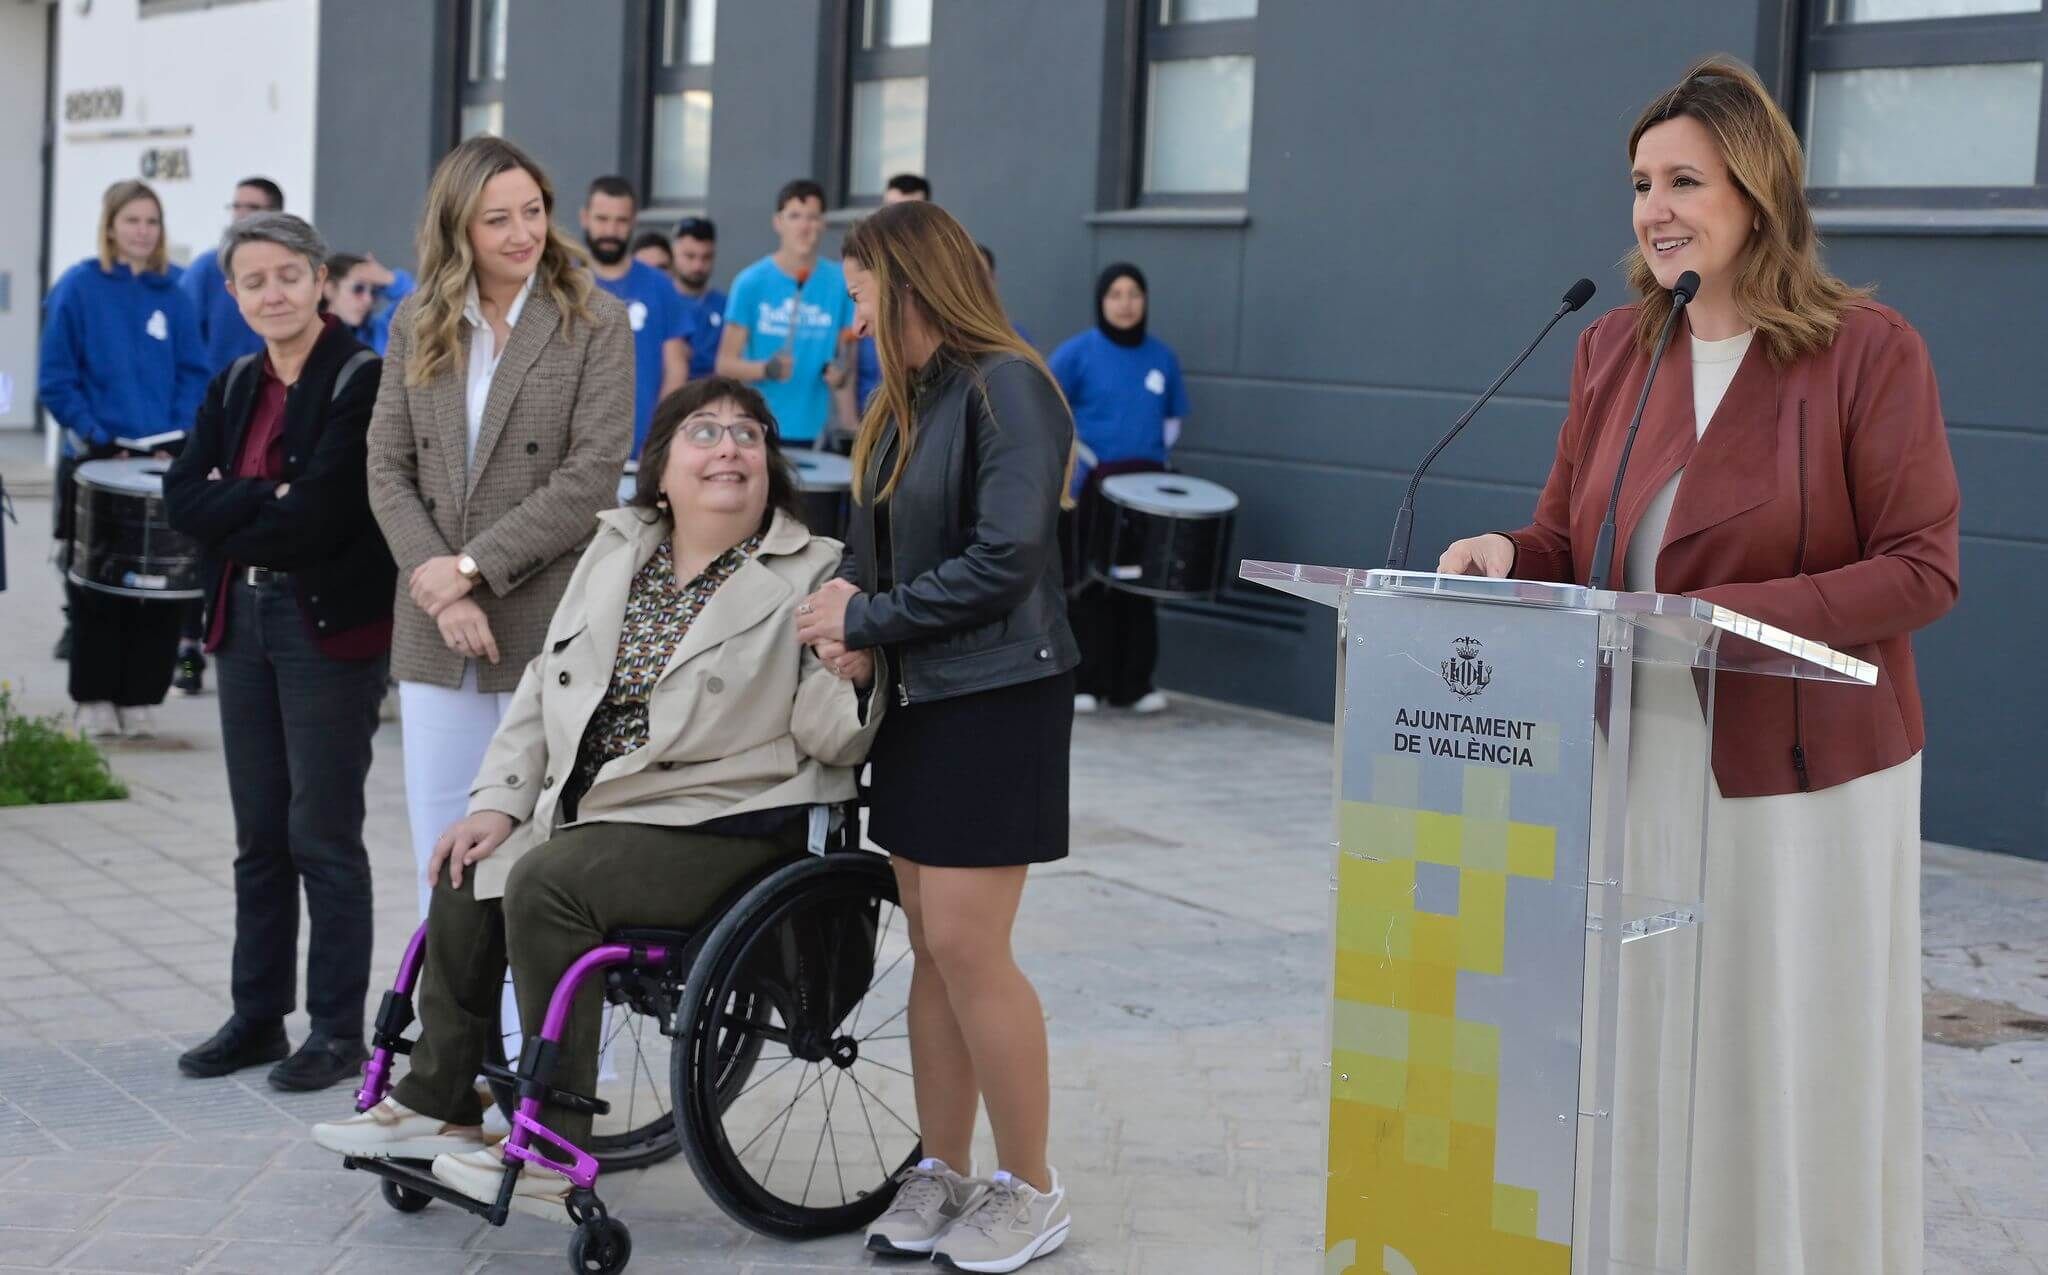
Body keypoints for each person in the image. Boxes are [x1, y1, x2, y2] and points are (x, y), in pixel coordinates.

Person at [1436, 56, 1958, 1275]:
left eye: (1684, 179)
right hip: (1644, 759)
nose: (1654, 207)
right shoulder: (1615, 348)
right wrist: (1502, 553)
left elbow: (1922, 568)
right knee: (1653, 1041)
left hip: (1802, 781)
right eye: (1638, 184)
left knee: (1772, 1048)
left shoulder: (1864, 352)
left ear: (1755, 189)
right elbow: (1574, 540)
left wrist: (1730, 617)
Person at [311, 379, 880, 1212]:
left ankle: (551, 1140)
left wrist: (855, 661)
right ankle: (442, 1102)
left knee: (550, 879)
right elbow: (545, 686)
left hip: (730, 820)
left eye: (749, 434)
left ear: (769, 465)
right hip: (604, 813)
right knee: (471, 860)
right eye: (705, 431)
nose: (730, 447)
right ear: (660, 470)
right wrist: (497, 802)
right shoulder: (615, 552)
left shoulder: (815, 572)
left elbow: (834, 739)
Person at [798, 200, 1076, 1271]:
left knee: (968, 945)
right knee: (929, 948)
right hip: (920, 698)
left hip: (1000, 695)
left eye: (860, 289)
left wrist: (867, 619)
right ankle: (945, 1171)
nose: (851, 312)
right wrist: (850, 619)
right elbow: (879, 549)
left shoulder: (1010, 385)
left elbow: (1007, 557)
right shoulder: (902, 402)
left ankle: (1031, 1188)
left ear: (909, 281)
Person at [365, 135, 633, 924]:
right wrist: (441, 588)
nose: (523, 233)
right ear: (459, 229)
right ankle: (455, 1045)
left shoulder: (593, 318)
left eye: (534, 211)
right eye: (497, 219)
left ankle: (548, 1049)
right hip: (436, 627)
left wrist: (473, 567)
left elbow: (590, 475)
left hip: (551, 617)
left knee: (545, 859)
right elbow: (385, 465)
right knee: (443, 853)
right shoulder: (418, 319)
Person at [163, 213, 394, 1090]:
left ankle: (336, 1028)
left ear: (320, 278)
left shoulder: (359, 377)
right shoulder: (231, 383)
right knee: (259, 833)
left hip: (325, 624)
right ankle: (257, 1014)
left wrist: (240, 496)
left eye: (287, 276)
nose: (272, 293)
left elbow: (321, 516)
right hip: (241, 619)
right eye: (253, 280)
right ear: (233, 293)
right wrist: (264, 496)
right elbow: (183, 496)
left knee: (322, 832)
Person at [38, 179, 208, 739]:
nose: (142, 231)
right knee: (97, 587)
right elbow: (57, 379)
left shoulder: (175, 293)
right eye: (132, 220)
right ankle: (93, 697)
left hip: (160, 462)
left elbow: (193, 373)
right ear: (110, 226)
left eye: (151, 222)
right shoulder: (78, 288)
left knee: (159, 587)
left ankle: (140, 696)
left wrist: (178, 435)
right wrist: (97, 433)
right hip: (96, 460)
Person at [1049, 263, 1188, 716]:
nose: (1125, 304)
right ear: (1101, 301)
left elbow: (1171, 422)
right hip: (1093, 487)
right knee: (1090, 585)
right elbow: (1048, 410)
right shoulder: (1076, 354)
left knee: (1139, 586)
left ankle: (1134, 683)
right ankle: (1085, 679)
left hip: (1146, 488)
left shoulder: (1162, 357)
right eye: (1115, 294)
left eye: (1134, 294)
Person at [715, 180, 856, 447]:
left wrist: (851, 424)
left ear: (823, 223)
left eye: (813, 217)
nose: (804, 227)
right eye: (794, 216)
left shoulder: (841, 282)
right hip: (757, 427)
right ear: (778, 222)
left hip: (816, 434)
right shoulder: (750, 282)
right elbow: (724, 364)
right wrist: (765, 369)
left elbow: (847, 362)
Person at [581, 176, 689, 457]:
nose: (610, 230)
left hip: (641, 450)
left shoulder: (660, 285)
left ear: (633, 223)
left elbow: (676, 368)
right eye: (602, 219)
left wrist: (660, 435)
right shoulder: (563, 285)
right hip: (575, 450)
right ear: (585, 218)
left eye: (620, 221)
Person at [179, 177, 284, 375]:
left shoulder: (291, 270)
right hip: (220, 395)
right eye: (236, 207)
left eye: (252, 207)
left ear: (276, 215)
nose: (241, 215)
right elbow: (181, 335)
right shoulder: (208, 269)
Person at [855, 175, 932, 415]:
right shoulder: (858, 270)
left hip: (921, 407)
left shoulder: (937, 277)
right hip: (868, 408)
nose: (897, 223)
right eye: (890, 210)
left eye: (908, 213)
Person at [321, 252, 415, 357]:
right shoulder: (308, 336)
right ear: (329, 289)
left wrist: (389, 280)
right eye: (358, 289)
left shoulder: (381, 332)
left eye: (374, 292)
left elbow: (422, 308)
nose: (368, 300)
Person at [671, 216, 725, 381]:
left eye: (706, 257)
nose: (698, 266)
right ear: (674, 252)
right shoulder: (660, 303)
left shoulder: (726, 306)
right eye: (690, 256)